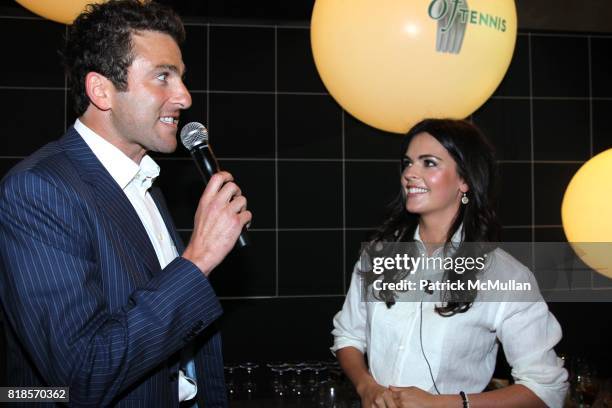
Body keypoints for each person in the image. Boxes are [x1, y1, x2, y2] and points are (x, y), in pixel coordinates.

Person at [0, 1, 251, 406]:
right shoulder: (38, 190)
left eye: (181, 77)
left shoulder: (143, 181)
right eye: (162, 77)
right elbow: (82, 374)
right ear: (101, 91)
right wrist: (199, 259)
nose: (184, 97)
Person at [331, 119, 568, 408]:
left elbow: (545, 389)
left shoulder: (504, 275)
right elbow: (348, 335)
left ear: (465, 180)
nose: (409, 173)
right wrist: (366, 386)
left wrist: (444, 403)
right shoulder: (378, 255)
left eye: (428, 163)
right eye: (408, 163)